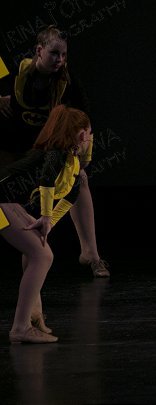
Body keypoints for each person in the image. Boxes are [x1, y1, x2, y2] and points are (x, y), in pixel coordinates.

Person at [0, 25, 109, 278]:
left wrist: (84, 156)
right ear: (39, 51)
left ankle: (90, 254)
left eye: (64, 54)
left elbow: (85, 121)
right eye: (54, 53)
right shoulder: (17, 71)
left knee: (79, 179)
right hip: (12, 145)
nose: (60, 59)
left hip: (45, 148)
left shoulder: (68, 82)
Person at [1, 105, 93, 343]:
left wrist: (47, 222)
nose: (91, 138)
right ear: (81, 134)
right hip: (3, 203)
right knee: (43, 256)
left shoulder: (71, 162)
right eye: (89, 132)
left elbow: (70, 197)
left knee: (37, 249)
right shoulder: (55, 153)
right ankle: (20, 327)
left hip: (9, 204)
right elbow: (46, 180)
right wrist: (45, 216)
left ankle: (33, 315)